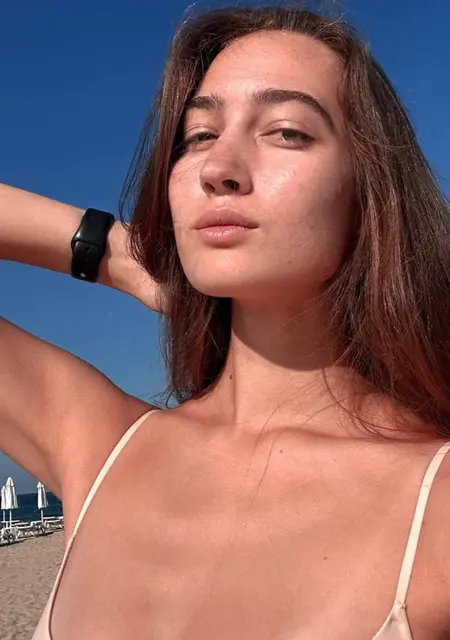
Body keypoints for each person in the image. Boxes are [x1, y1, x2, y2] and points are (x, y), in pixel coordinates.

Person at [1, 3, 449, 639]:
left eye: (286, 132)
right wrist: (117, 254)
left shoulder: (434, 505)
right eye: (198, 137)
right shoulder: (99, 446)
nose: (218, 169)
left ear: (368, 192)